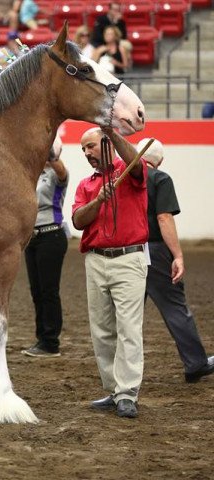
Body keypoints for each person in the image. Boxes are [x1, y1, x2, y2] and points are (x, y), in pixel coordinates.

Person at [72, 126, 149, 419]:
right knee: (102, 330)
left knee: (128, 327)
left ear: (107, 144)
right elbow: (79, 220)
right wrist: (98, 200)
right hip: (95, 260)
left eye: (91, 146)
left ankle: (127, 393)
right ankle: (115, 389)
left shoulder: (129, 171)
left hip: (129, 260)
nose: (87, 153)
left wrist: (112, 132)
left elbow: (138, 164)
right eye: (83, 149)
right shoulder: (85, 185)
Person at [137, 138, 214, 383]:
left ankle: (120, 372)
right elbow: (164, 218)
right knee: (174, 307)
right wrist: (178, 255)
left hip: (125, 250)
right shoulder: (159, 178)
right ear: (159, 161)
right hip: (155, 251)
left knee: (127, 314)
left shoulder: (123, 178)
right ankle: (195, 363)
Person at [21, 136, 69, 358]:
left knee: (49, 291)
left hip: (51, 235)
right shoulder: (31, 174)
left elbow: (61, 170)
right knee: (36, 291)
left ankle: (51, 341)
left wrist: (49, 151)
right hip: (33, 237)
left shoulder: (57, 175)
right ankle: (42, 337)